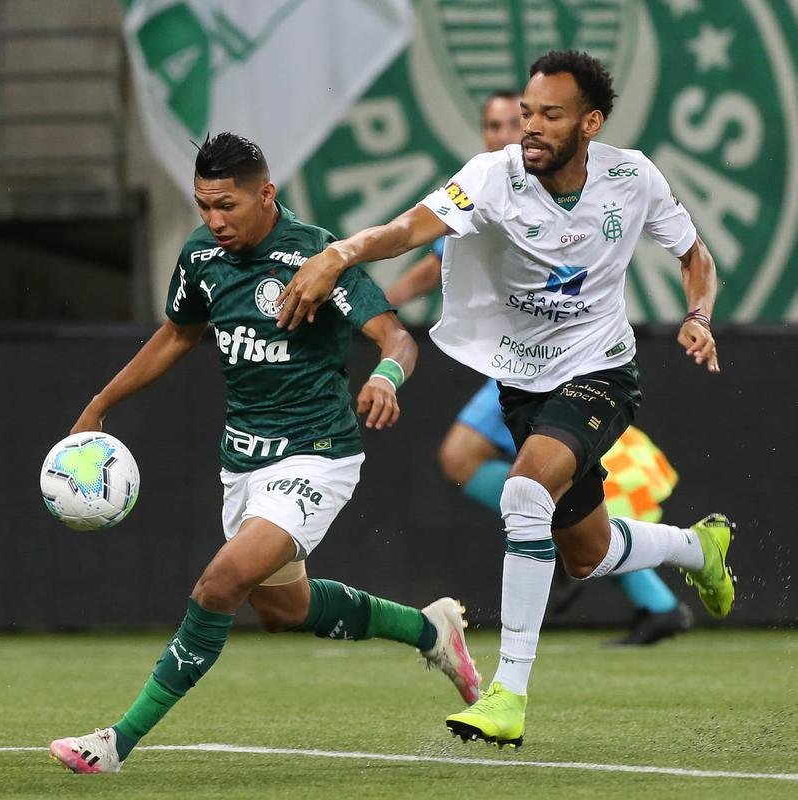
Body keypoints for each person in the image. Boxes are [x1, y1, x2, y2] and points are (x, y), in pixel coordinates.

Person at [275, 50, 735, 747]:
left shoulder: (631, 176)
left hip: (601, 373)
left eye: (550, 115)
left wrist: (696, 317)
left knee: (522, 494)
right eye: (526, 113)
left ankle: (506, 694)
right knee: (583, 552)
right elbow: (405, 232)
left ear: (590, 122)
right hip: (522, 383)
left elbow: (694, 256)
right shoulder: (492, 178)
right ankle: (696, 548)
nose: (532, 127)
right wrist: (339, 253)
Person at [48, 133, 480, 774]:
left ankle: (117, 742)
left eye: (227, 205)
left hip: (316, 454)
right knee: (285, 611)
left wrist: (386, 375)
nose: (215, 221)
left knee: (220, 583)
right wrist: (100, 404)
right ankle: (431, 630)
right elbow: (178, 335)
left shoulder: (315, 256)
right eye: (203, 206)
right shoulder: (201, 258)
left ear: (266, 194)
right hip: (243, 462)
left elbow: (396, 337)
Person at [388, 90, 693, 646]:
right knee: (558, 510)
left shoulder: (589, 185)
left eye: (522, 120)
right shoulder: (487, 190)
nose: (509, 133)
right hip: (515, 358)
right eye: (498, 123)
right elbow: (427, 262)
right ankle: (657, 591)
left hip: (573, 360)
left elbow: (684, 250)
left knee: (485, 466)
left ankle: (566, 563)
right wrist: (372, 306)